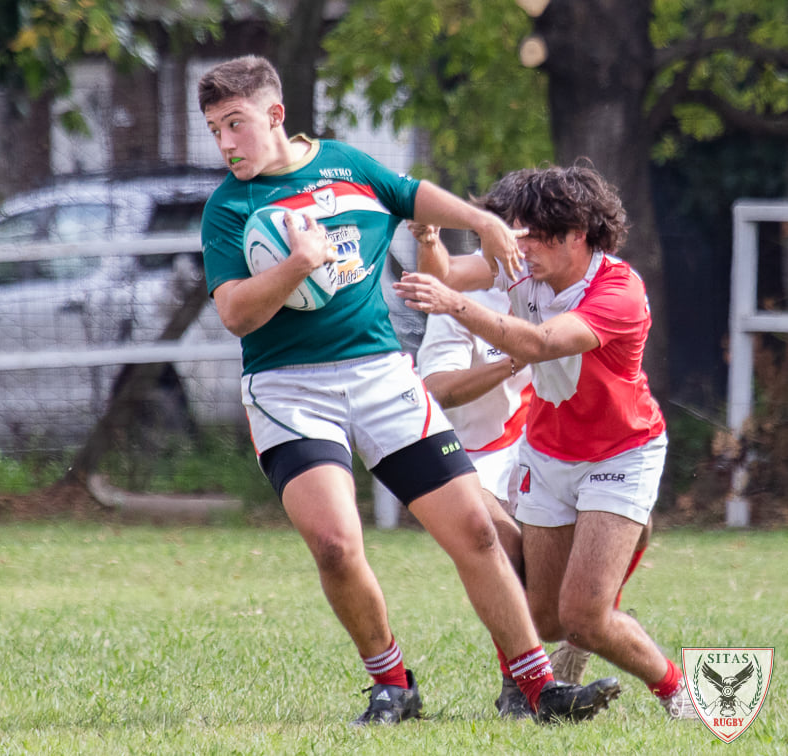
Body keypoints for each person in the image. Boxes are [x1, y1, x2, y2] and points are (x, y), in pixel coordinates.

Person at [196, 55, 619, 725]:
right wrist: (300, 264)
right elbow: (236, 314)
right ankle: (392, 683)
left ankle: (538, 688)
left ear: (275, 116)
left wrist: (482, 222)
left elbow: (410, 192)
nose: (224, 143)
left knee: (477, 531)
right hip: (288, 390)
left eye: (236, 125)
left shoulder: (345, 165)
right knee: (336, 545)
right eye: (215, 128)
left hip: (380, 376)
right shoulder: (229, 208)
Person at [393, 161, 695, 719]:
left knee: (584, 617)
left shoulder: (618, 290)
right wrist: (430, 241)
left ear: (576, 235)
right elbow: (451, 275)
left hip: (621, 454)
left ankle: (679, 691)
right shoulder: (522, 263)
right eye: (515, 232)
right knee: (546, 618)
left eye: (530, 234)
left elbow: (535, 343)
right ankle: (587, 601)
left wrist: (453, 303)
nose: (519, 246)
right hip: (547, 454)